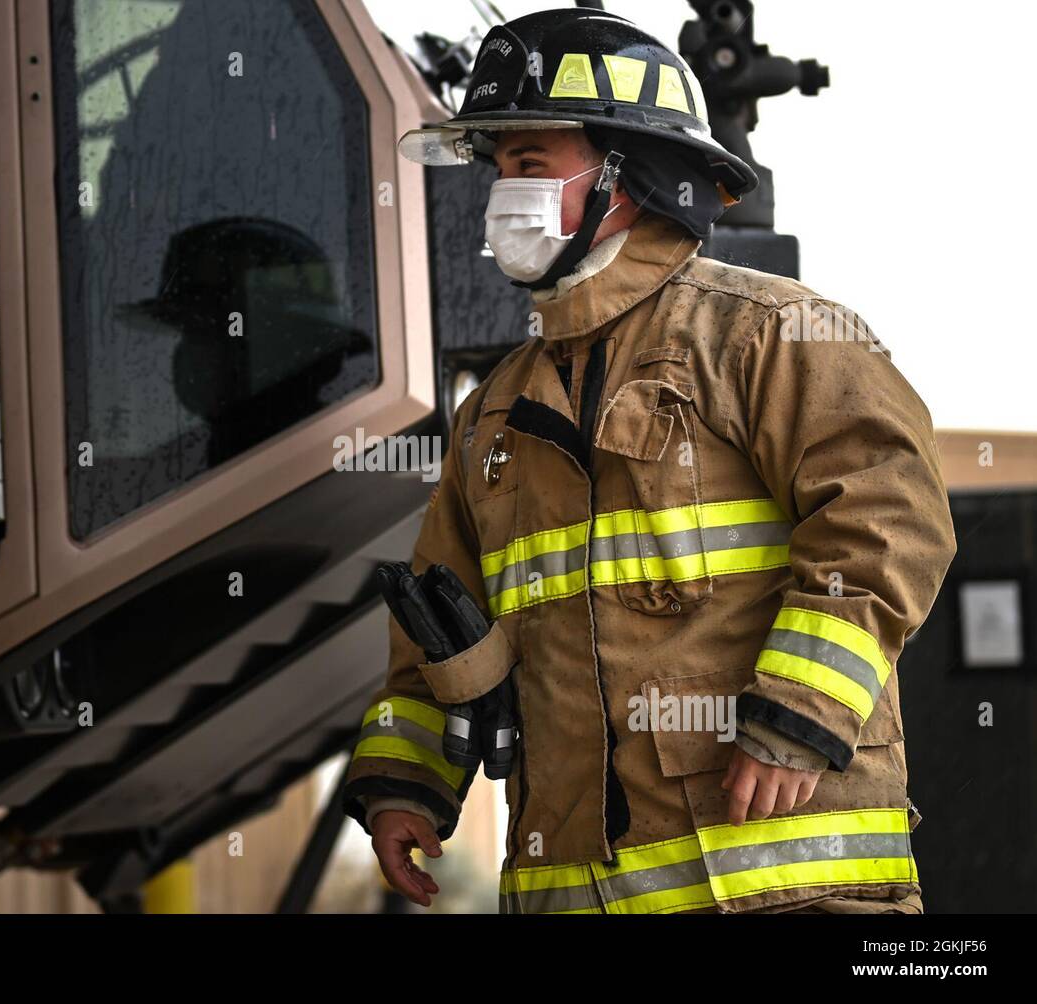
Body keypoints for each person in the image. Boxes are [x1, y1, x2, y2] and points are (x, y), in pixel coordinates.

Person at [340, 8, 956, 914]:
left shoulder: (766, 336)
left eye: (530, 163)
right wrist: (404, 785)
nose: (503, 192)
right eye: (498, 166)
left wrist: (801, 710)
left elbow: (890, 517)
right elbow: (443, 628)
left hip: (785, 892)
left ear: (628, 176)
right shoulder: (491, 420)